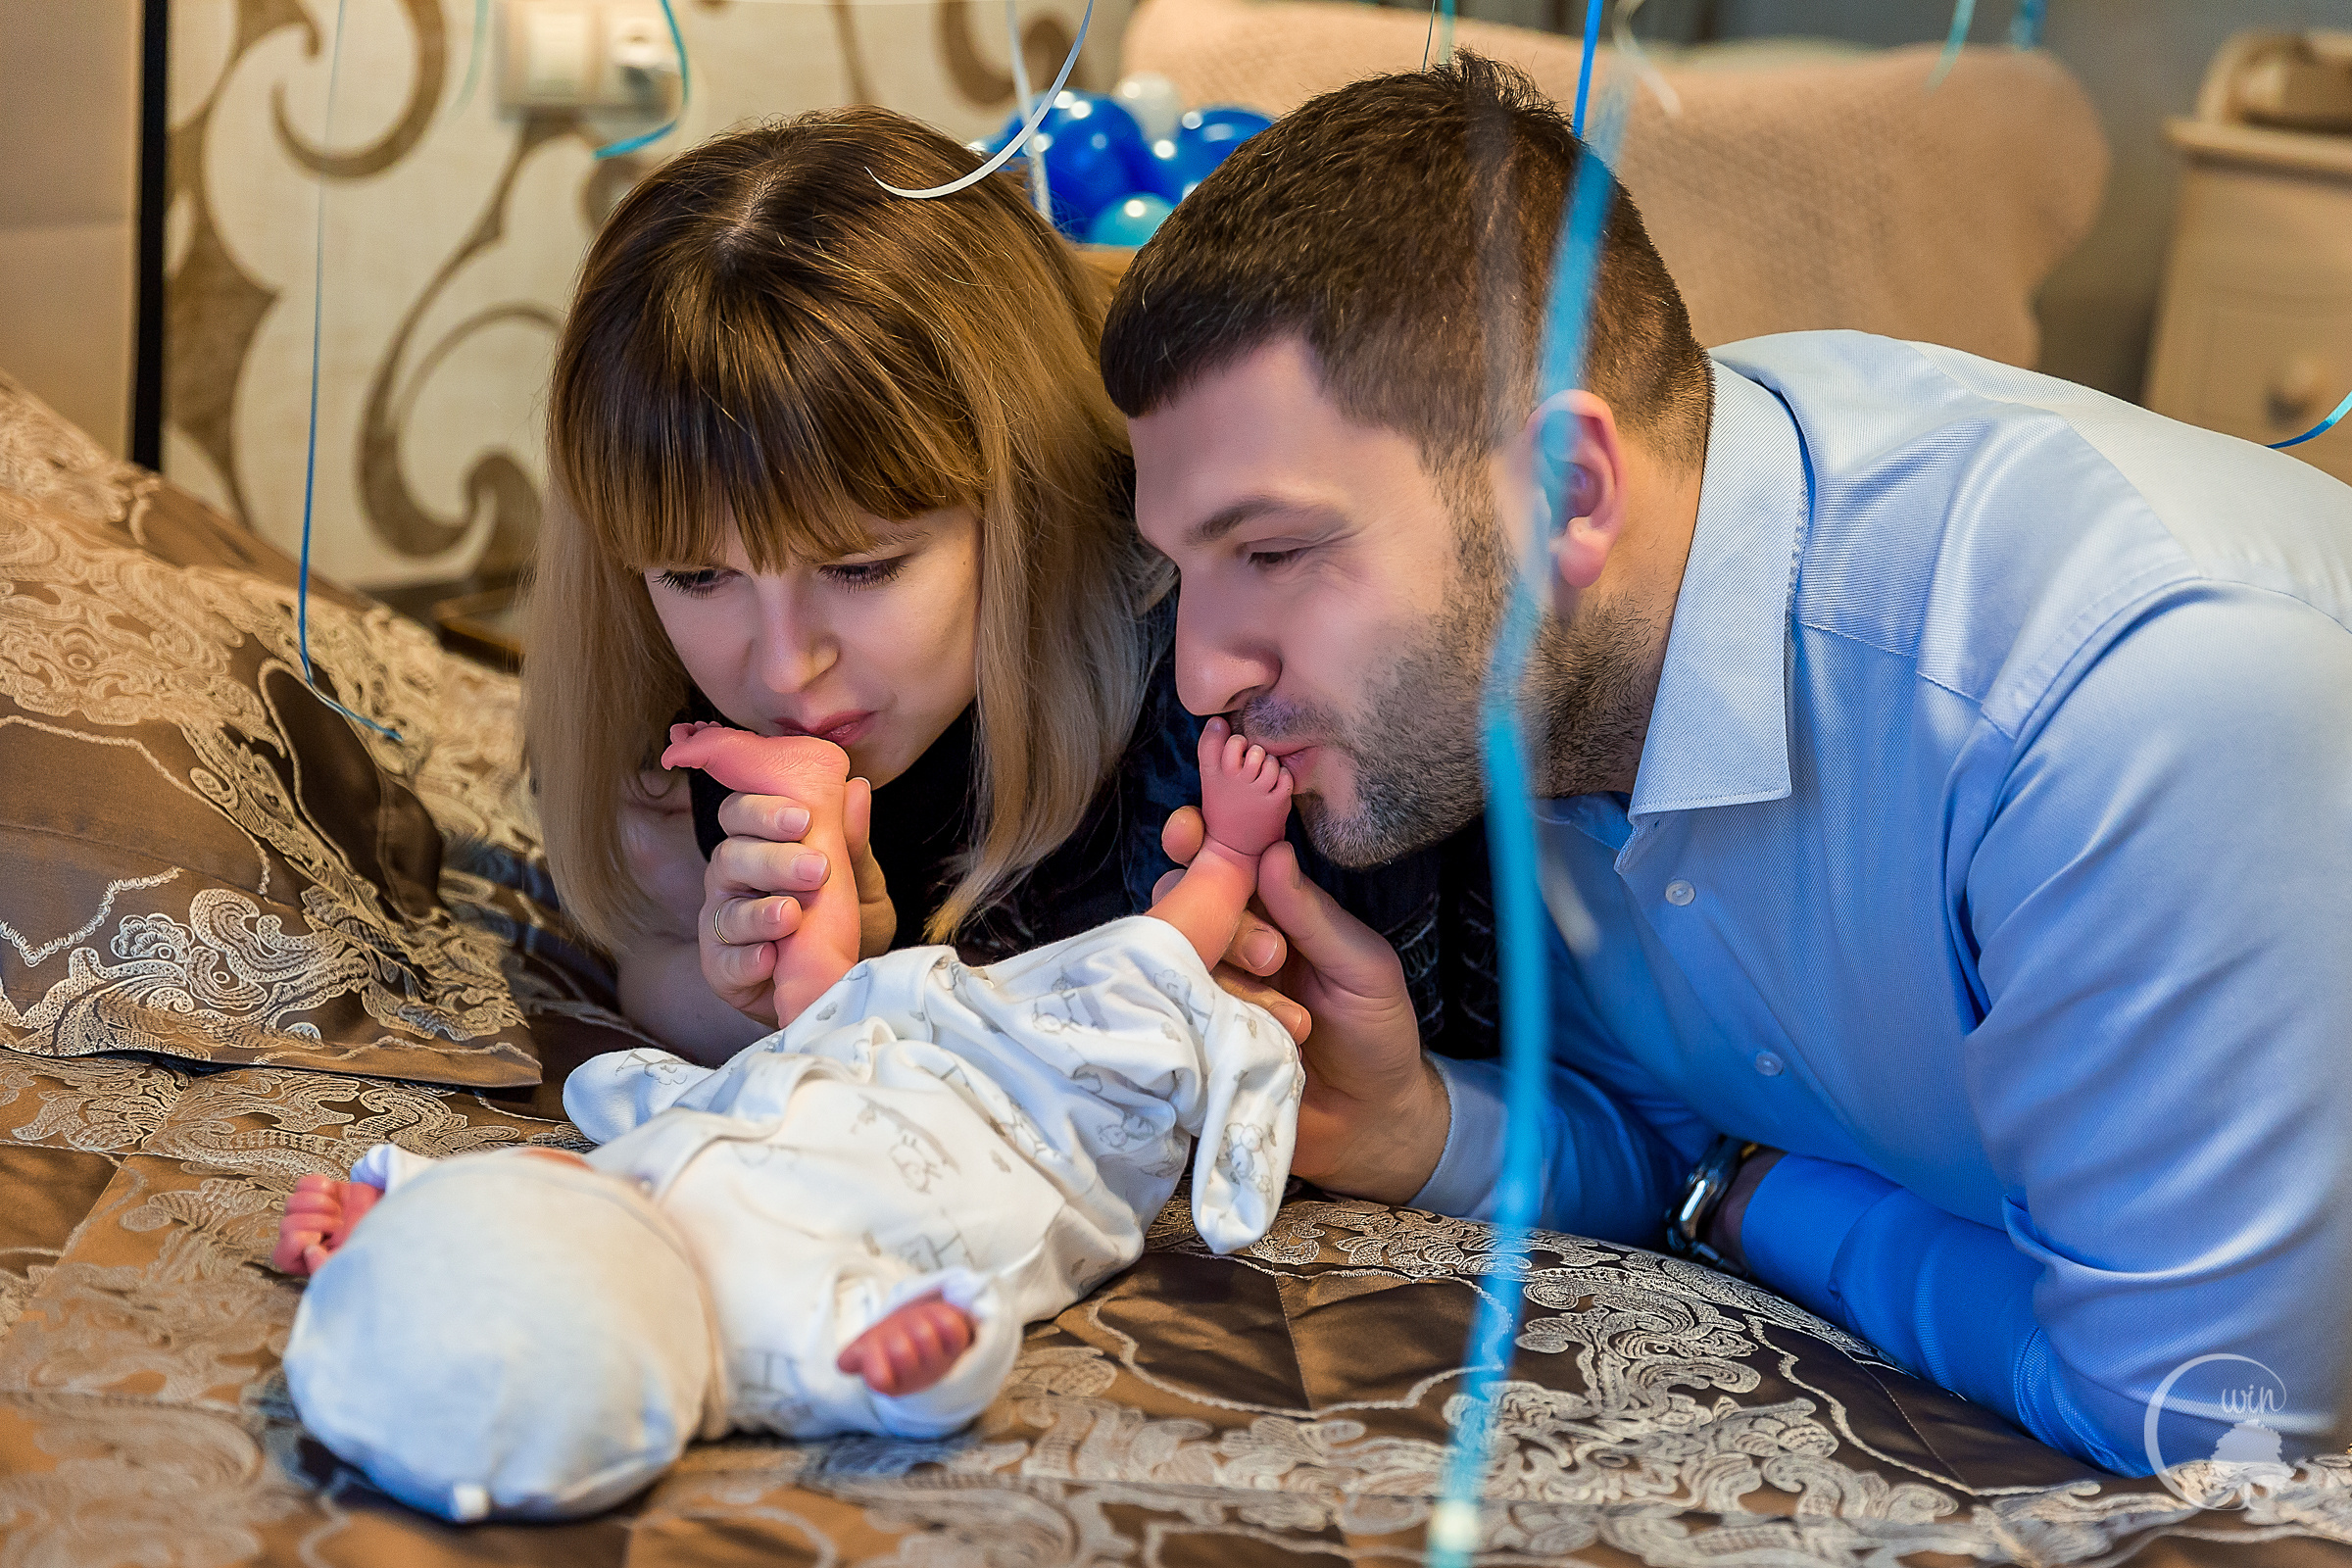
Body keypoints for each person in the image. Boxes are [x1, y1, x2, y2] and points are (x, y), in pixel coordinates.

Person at [1099, 54, 2352, 1476]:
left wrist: (1769, 1210)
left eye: (1271, 553)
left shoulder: (2121, 703)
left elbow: (2205, 1417)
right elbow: (1668, 1127)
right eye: (1183, 570)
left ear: (1569, 494)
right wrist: (1419, 1122)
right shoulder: (1537, 664)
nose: (1205, 672)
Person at [523, 108, 1502, 1070]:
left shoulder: (1228, 667)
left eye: (863, 567)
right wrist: (783, 987)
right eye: (697, 576)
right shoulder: (654, 716)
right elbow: (646, 959)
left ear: (1028, 491)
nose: (785, 666)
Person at [270, 721, 1303, 1522]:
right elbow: (914, 1381)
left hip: (840, 1062)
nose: (542, 1179)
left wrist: (378, 1214)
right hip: (1035, 1131)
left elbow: (474, 1211)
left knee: (815, 991)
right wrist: (931, 1353)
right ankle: (1230, 857)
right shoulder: (770, 1341)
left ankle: (804, 798)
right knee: (1137, 984)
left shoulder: (582, 1199)